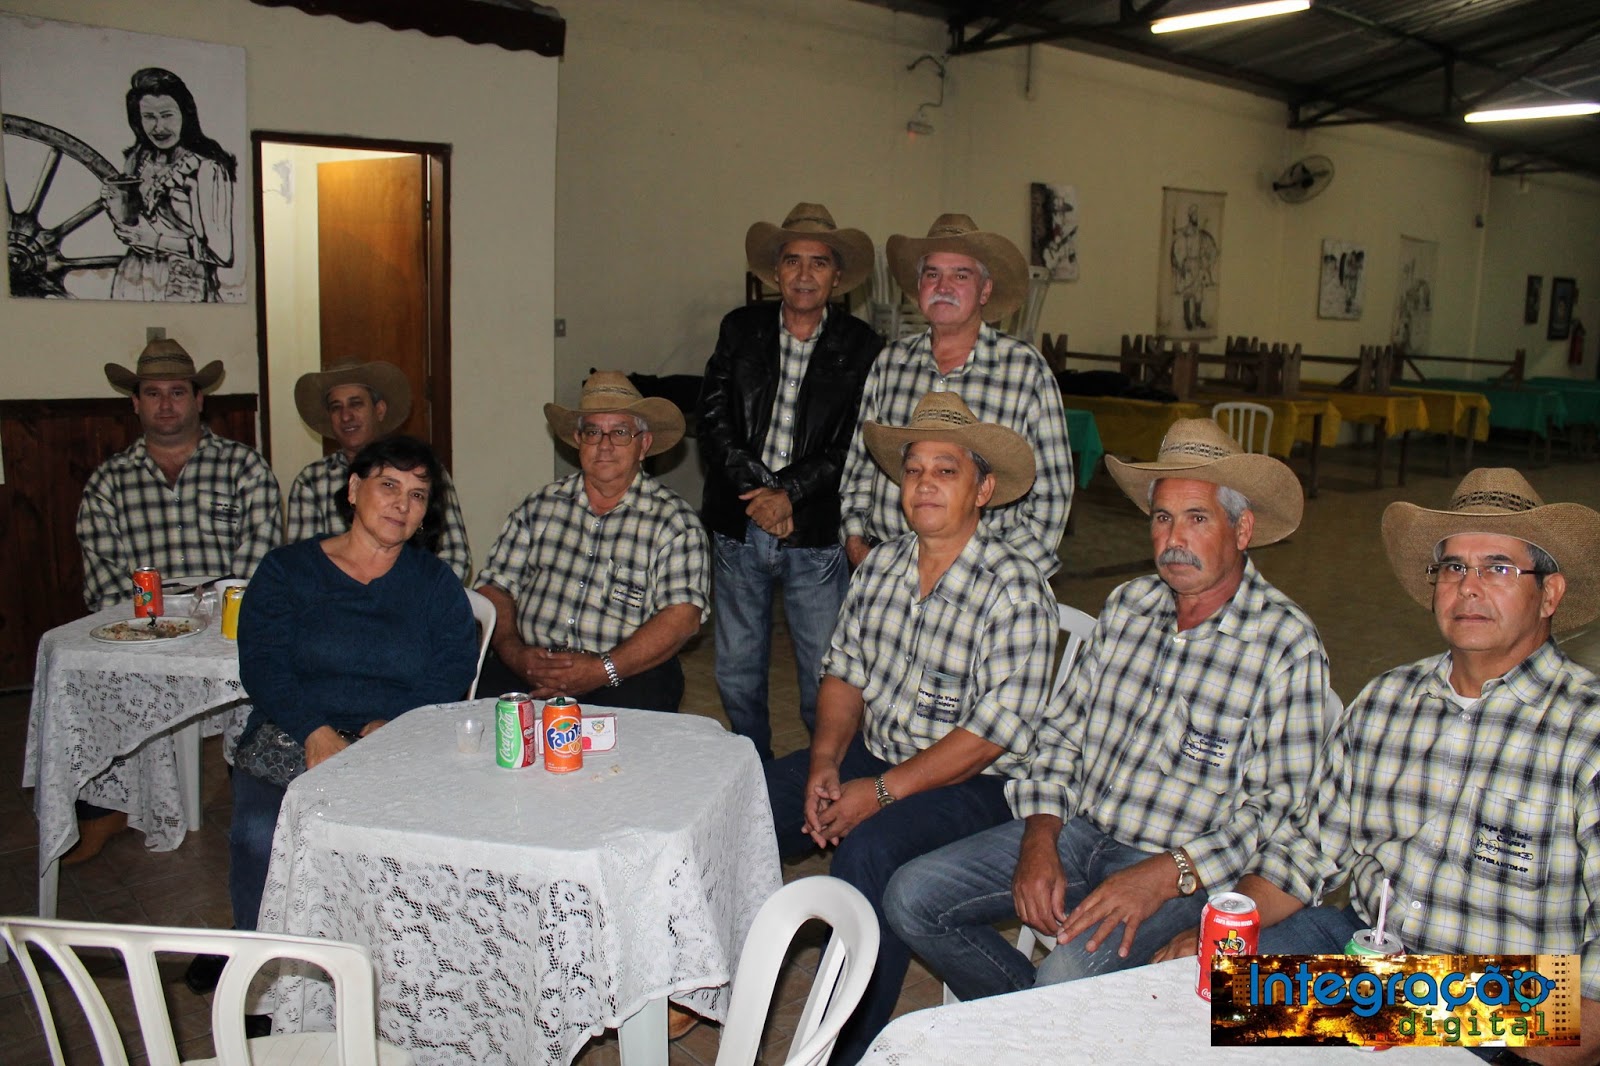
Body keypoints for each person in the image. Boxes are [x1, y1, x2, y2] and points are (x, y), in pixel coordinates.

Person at [1155, 467, 1600, 1064]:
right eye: (1453, 567)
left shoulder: (1586, 733)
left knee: (1251, 1019)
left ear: (1549, 594)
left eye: (1498, 569)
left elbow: (1589, 1014)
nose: (1468, 588)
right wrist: (1227, 929)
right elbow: (1308, 848)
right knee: (1192, 1006)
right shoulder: (1387, 701)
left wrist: (1394, 1003)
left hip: (1509, 1008)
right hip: (1364, 949)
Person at [885, 417, 1329, 1001]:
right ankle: (1033, 1018)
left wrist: (1165, 873)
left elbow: (1280, 811)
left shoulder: (1285, 643)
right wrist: (1040, 835)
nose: (1174, 538)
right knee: (910, 897)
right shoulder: (1128, 606)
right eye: (1162, 518)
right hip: (1079, 832)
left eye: (1197, 519)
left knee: (1065, 977)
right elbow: (1061, 733)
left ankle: (1045, 1017)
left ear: (1241, 528)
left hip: (1186, 871)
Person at [766, 391, 1057, 1065]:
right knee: (753, 799)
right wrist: (825, 761)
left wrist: (880, 793)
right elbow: (844, 675)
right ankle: (715, 978)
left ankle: (843, 1048)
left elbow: (991, 735)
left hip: (979, 783)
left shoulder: (1016, 587)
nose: (924, 484)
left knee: (872, 851)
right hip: (881, 752)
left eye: (946, 471)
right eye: (915, 470)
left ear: (983, 490)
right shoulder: (883, 566)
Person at [183, 434, 476, 1002]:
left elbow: (451, 669)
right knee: (260, 833)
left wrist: (391, 726)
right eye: (388, 485)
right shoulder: (288, 570)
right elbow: (262, 663)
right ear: (353, 489)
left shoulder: (434, 583)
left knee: (410, 839)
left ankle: (398, 977)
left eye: (417, 495)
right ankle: (260, 975)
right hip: (293, 729)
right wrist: (314, 730)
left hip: (399, 736)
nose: (402, 504)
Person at [698, 202, 883, 759]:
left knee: (824, 675)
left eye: (819, 263)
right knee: (736, 670)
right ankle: (751, 771)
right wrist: (763, 494)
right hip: (739, 524)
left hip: (816, 534)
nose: (804, 274)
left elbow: (856, 439)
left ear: (837, 277)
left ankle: (824, 774)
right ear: (775, 272)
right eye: (793, 261)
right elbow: (713, 418)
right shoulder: (740, 329)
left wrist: (790, 495)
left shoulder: (862, 345)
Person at [838, 213, 1072, 578]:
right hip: (886, 568)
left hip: (982, 580)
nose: (943, 285)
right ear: (919, 287)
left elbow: (1053, 495)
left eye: (960, 275)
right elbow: (859, 466)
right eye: (932, 274)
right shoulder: (891, 363)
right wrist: (855, 540)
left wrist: (1002, 575)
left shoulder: (1024, 370)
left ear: (985, 290)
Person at [475, 371, 710, 712]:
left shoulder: (675, 523)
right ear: (578, 440)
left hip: (625, 674)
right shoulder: (539, 506)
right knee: (475, 706)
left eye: (620, 432)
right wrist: (514, 653)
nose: (605, 445)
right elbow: (494, 587)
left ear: (644, 445)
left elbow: (683, 616)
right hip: (530, 665)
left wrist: (602, 670)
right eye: (593, 432)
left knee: (644, 704)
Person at [78, 340, 282, 617]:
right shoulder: (107, 483)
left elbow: (257, 572)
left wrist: (216, 621)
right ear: (136, 403)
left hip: (230, 625)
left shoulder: (246, 469)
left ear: (198, 400)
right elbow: (106, 586)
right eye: (153, 393)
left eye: (177, 392)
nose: (165, 404)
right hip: (141, 631)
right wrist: (153, 626)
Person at [286, 360, 472, 582]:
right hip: (332, 598)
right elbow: (304, 565)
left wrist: (418, 593)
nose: (346, 416)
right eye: (336, 407)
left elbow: (456, 555)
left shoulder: (423, 473)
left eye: (356, 404)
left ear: (379, 410)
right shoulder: (311, 481)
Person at [104, 68, 236, 302]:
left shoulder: (206, 169)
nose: (159, 127)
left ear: (185, 115)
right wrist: (117, 205)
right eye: (149, 117)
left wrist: (153, 241)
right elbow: (134, 224)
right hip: (133, 278)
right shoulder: (137, 160)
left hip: (184, 282)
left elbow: (222, 254)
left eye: (167, 115)